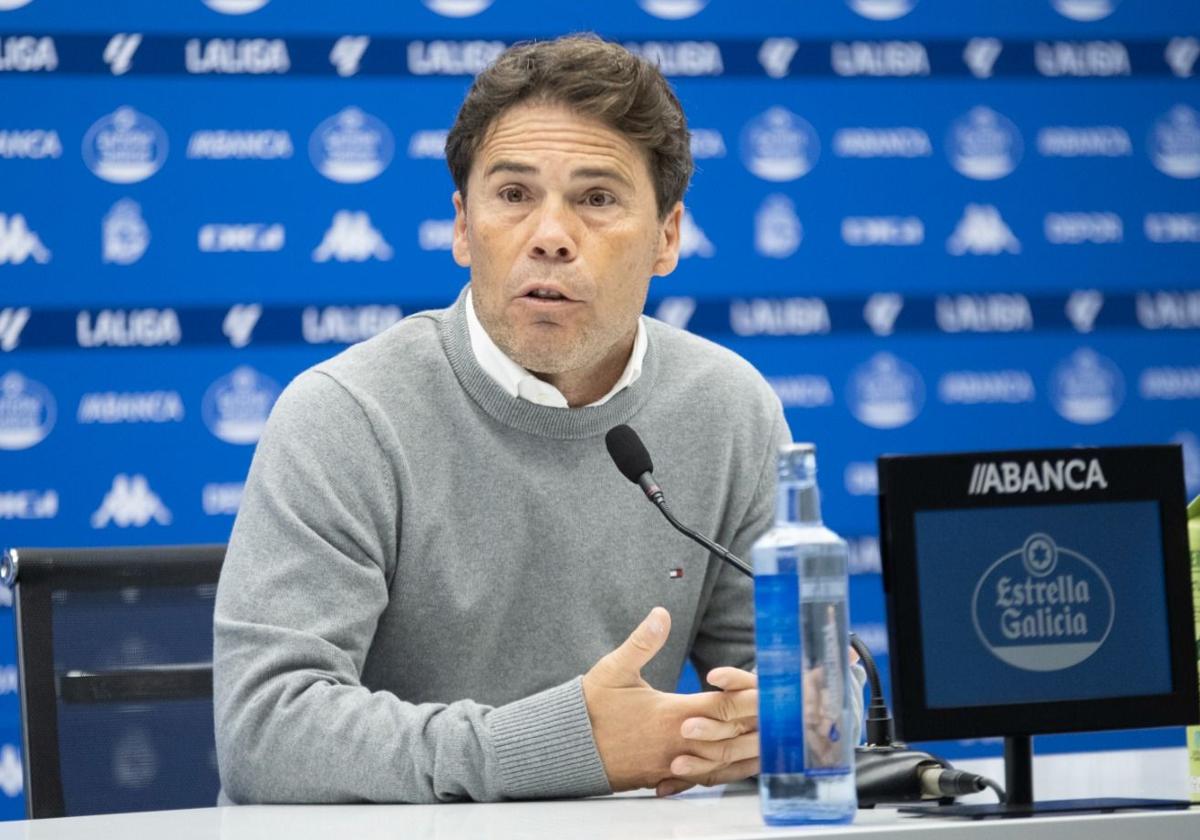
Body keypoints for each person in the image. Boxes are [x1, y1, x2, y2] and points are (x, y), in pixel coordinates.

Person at [213, 34, 864, 805]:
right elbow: (267, 732)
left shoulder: (726, 406)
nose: (550, 236)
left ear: (667, 237)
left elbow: (804, 688)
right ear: (463, 226)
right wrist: (562, 746)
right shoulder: (346, 415)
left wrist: (789, 716)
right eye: (514, 195)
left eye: (596, 199)